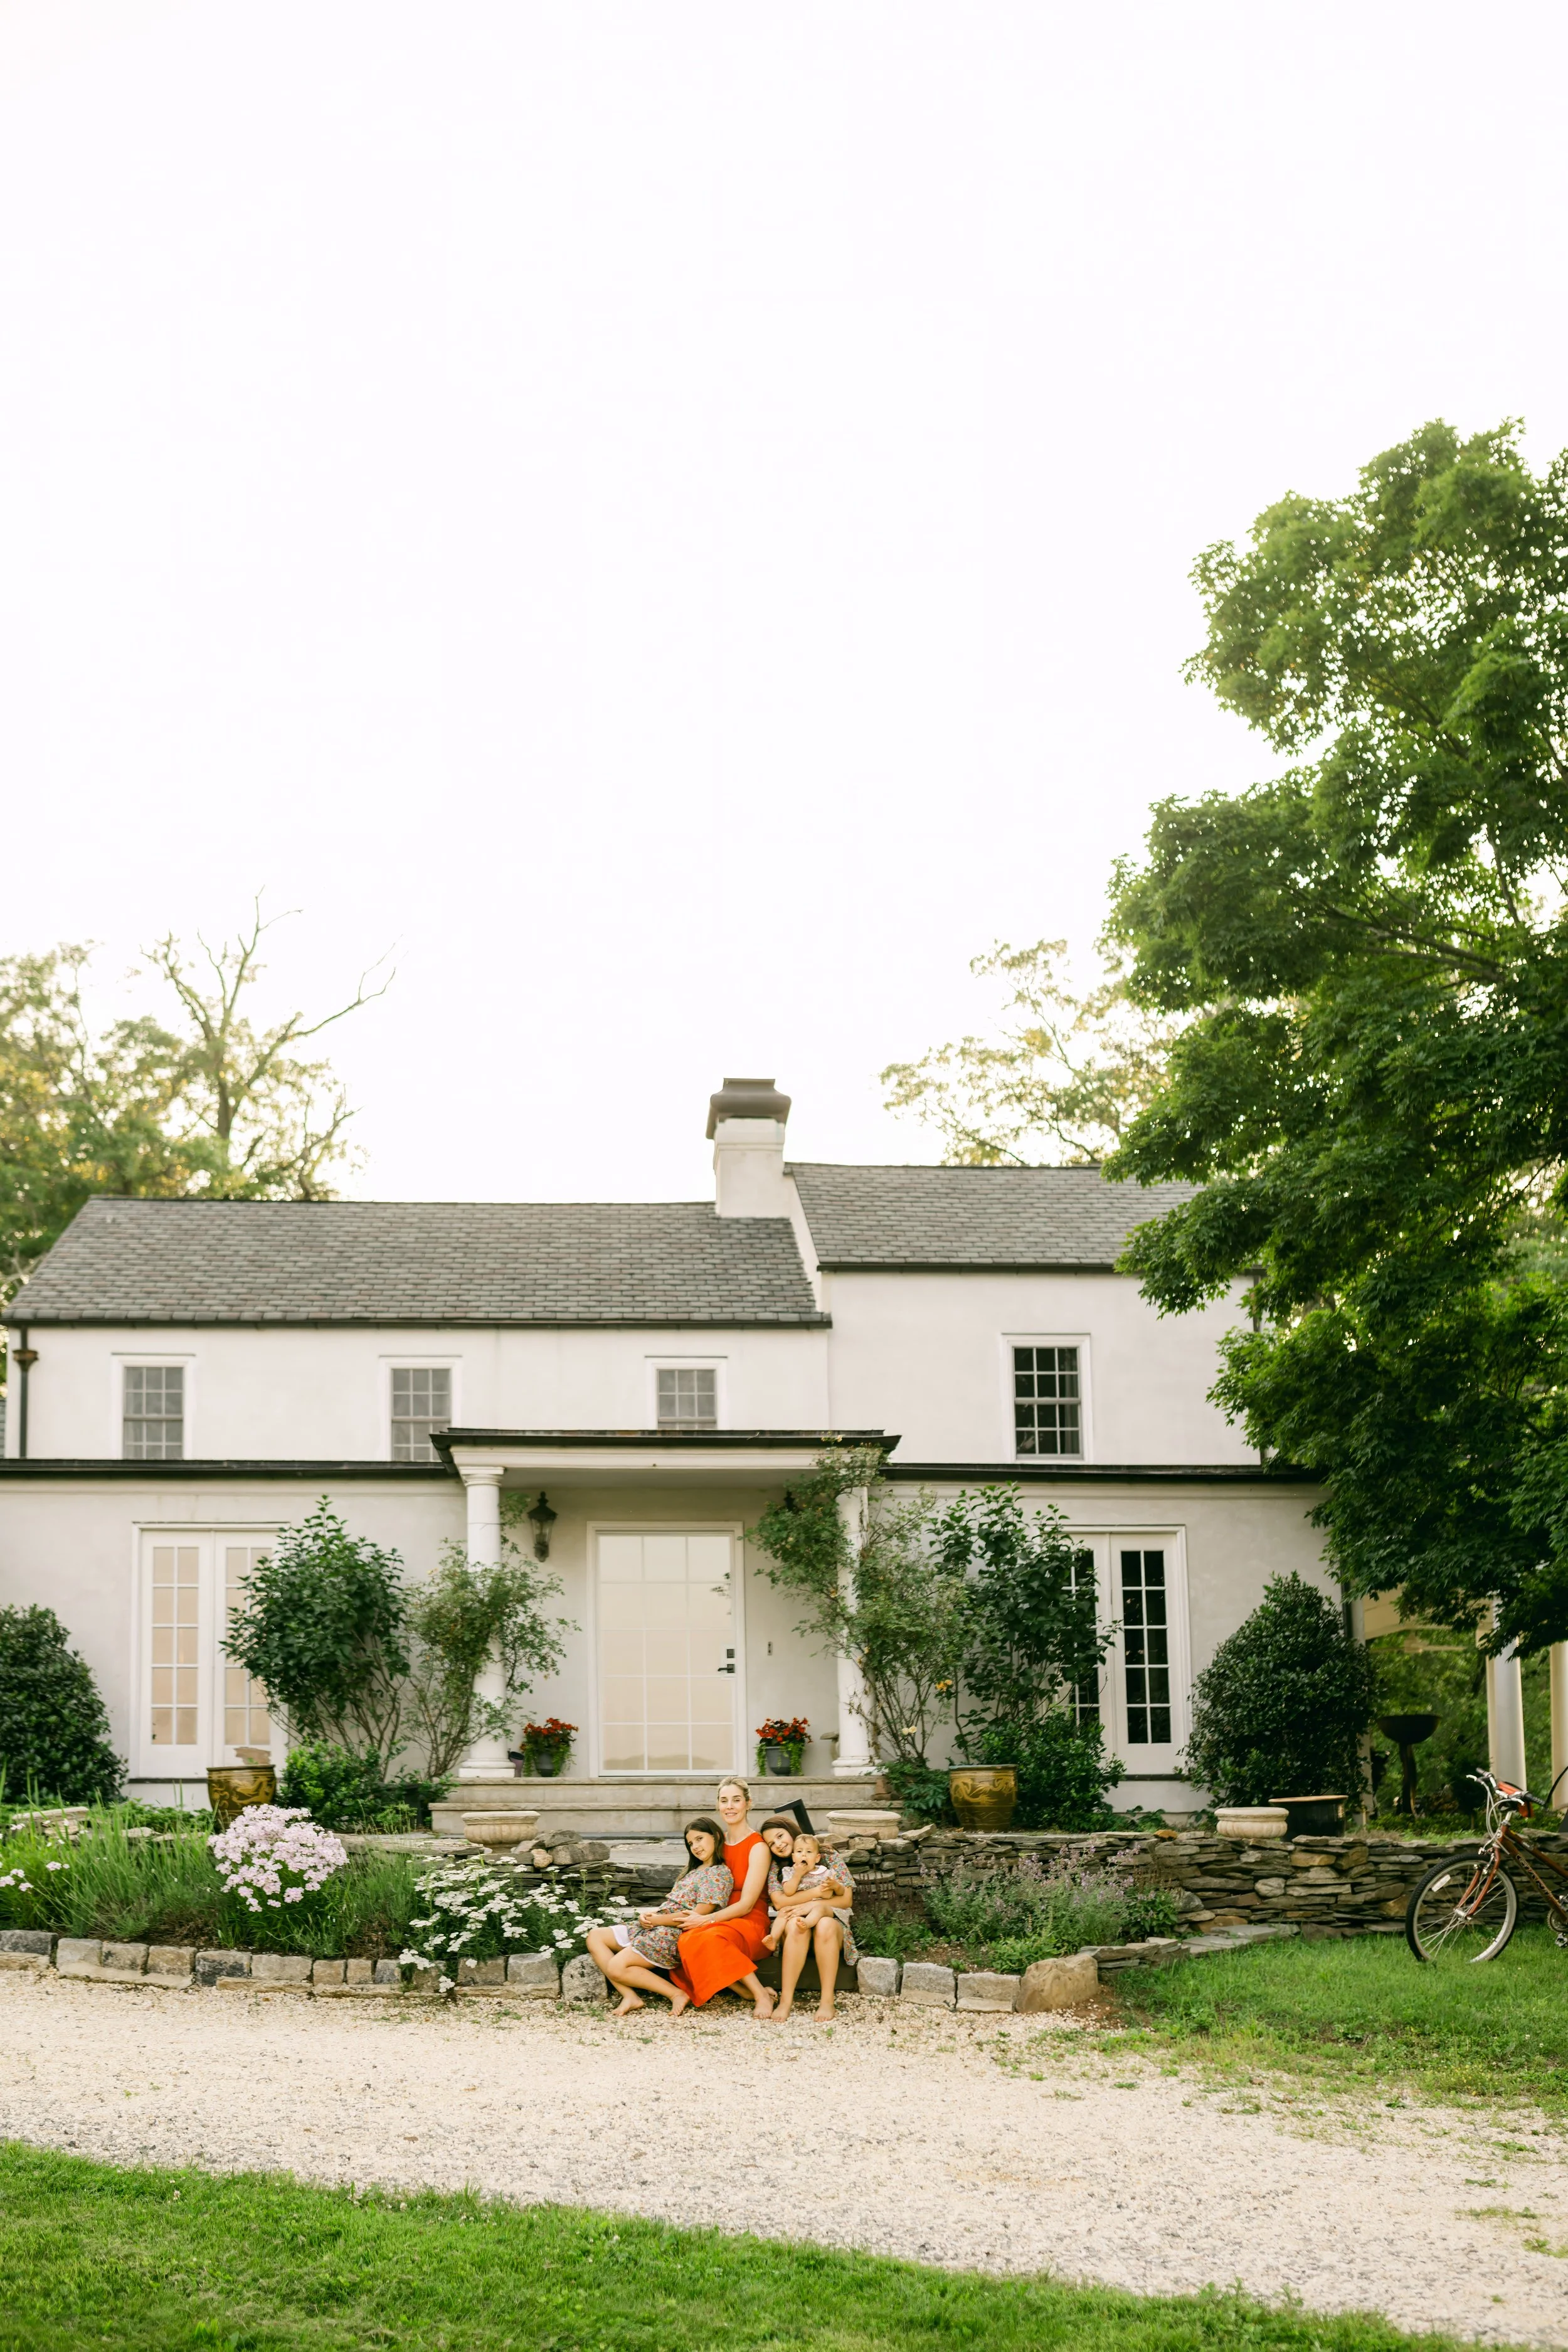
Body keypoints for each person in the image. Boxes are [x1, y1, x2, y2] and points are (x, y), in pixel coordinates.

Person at [583, 1816, 731, 2018]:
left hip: (670, 1935)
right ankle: (630, 1997)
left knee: (616, 1967)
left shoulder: (718, 1874)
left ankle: (676, 1994)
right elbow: (671, 1905)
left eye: (700, 1839)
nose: (695, 1847)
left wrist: (657, 1920)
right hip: (656, 1925)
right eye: (691, 1843)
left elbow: (698, 1915)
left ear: (715, 1837)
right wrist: (650, 1916)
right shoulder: (693, 1871)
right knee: (595, 1936)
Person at [670, 1776, 775, 2016]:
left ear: (748, 1804)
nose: (730, 1806)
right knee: (686, 1941)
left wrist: (705, 1920)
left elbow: (747, 1904)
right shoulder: (715, 1842)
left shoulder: (757, 1846)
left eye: (736, 1800)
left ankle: (761, 1995)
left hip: (748, 1921)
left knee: (710, 1939)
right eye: (724, 1800)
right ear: (718, 1805)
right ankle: (744, 1991)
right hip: (715, 1917)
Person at [765, 1826, 857, 2023]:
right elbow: (780, 1902)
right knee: (795, 1925)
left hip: (829, 1920)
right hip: (796, 1922)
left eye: (780, 1836)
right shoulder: (779, 1868)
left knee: (824, 1925)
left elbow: (846, 1900)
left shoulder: (829, 1858)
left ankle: (827, 2000)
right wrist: (815, 1895)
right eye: (772, 1843)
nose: (778, 1844)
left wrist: (810, 1904)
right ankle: (786, 2001)